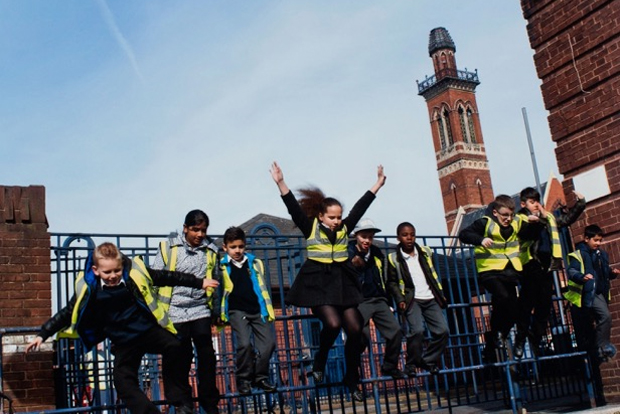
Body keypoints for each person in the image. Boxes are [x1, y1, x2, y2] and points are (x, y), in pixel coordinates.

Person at [26, 242, 219, 414]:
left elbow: (166, 276)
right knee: (122, 381)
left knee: (176, 347)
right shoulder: (89, 289)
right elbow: (67, 312)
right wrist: (43, 334)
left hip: (147, 331)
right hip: (123, 342)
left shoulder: (135, 275)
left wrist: (199, 282)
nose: (113, 276)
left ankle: (179, 401)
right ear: (96, 270)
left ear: (122, 266)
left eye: (116, 271)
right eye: (107, 272)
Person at [270, 161, 386, 402]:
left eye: (339, 217)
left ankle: (351, 378)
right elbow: (292, 207)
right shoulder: (310, 227)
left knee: (355, 330)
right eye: (332, 217)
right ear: (321, 216)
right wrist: (281, 182)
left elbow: (360, 207)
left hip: (343, 284)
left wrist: (377, 185)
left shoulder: (344, 228)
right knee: (333, 325)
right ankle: (320, 360)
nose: (336, 221)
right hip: (318, 285)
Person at [152, 209, 221, 414]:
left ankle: (209, 401)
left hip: (200, 309)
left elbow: (217, 280)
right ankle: (182, 402)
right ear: (185, 228)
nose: (200, 234)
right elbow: (155, 277)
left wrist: (216, 310)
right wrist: (155, 312)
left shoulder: (211, 251)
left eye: (203, 230)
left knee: (207, 355)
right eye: (195, 229)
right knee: (179, 355)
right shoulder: (168, 248)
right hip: (174, 309)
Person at [459, 195, 540, 354]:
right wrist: (480, 240)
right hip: (489, 271)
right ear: (495, 212)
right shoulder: (485, 223)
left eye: (511, 215)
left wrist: (535, 223)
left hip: (509, 272)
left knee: (512, 308)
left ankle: (498, 335)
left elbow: (530, 234)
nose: (508, 219)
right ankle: (497, 333)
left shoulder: (516, 221)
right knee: (503, 297)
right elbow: (464, 235)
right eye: (504, 215)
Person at [514, 188, 586, 358]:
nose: (536, 205)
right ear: (523, 204)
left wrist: (580, 204)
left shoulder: (547, 218)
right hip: (530, 265)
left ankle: (535, 335)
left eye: (537, 202)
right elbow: (525, 233)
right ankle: (520, 339)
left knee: (545, 307)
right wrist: (537, 221)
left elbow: (565, 219)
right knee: (527, 305)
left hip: (546, 267)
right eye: (532, 202)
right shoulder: (521, 219)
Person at [216, 226, 277, 396]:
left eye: (240, 246)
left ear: (245, 246)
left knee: (268, 344)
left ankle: (260, 377)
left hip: (257, 309)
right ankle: (243, 379)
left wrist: (266, 308)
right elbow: (218, 291)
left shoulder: (254, 263)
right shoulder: (221, 266)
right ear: (225, 247)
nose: (237, 250)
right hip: (237, 310)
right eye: (233, 247)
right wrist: (218, 313)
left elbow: (261, 286)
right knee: (244, 344)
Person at [386, 222, 448, 376]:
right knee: (417, 331)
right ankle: (411, 365)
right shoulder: (393, 258)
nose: (409, 238)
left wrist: (440, 293)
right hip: (412, 299)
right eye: (405, 235)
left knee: (443, 331)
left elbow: (432, 274)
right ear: (398, 237)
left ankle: (428, 361)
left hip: (430, 297)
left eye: (412, 235)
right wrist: (400, 299)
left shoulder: (425, 252)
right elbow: (392, 282)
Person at [347, 219, 405, 380]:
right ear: (356, 236)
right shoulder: (348, 251)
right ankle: (352, 371)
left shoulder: (377, 253)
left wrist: (388, 301)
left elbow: (384, 278)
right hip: (359, 301)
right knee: (360, 338)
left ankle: (389, 366)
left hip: (379, 299)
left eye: (370, 237)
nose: (367, 240)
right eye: (364, 236)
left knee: (395, 332)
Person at [565, 224, 620, 362]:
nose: (598, 243)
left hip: (600, 292)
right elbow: (572, 271)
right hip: (588, 293)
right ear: (586, 239)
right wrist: (581, 277)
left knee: (599, 322)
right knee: (605, 317)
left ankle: (596, 350)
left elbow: (603, 272)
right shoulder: (579, 254)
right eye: (595, 240)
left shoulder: (601, 254)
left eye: (600, 240)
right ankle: (602, 348)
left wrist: (612, 273)